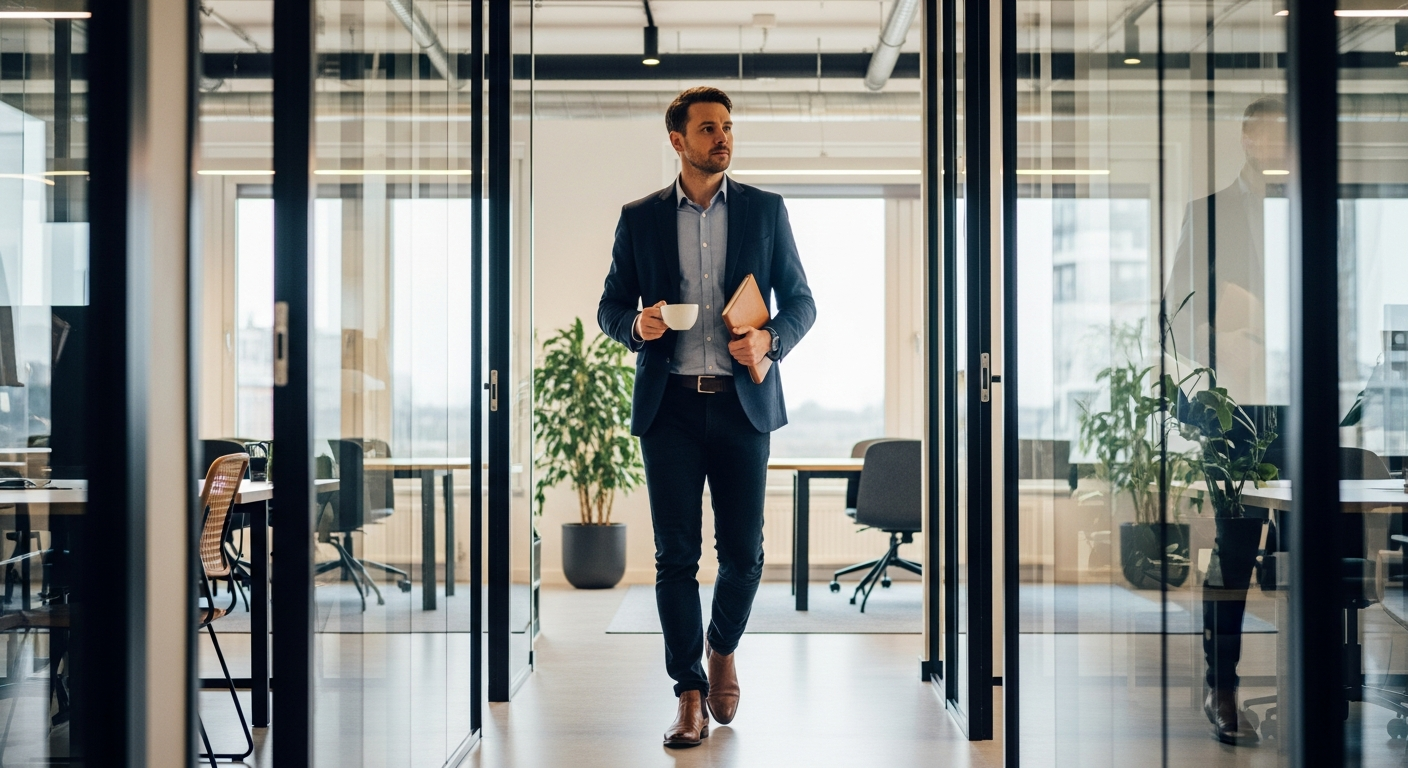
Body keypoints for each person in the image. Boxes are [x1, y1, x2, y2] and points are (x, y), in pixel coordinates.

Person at [597, 86, 816, 748]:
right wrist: (637, 323)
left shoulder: (765, 211)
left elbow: (802, 303)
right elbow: (610, 309)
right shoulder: (639, 219)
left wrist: (769, 340)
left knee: (744, 556)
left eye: (727, 127)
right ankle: (689, 693)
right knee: (674, 557)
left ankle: (722, 646)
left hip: (742, 407)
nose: (722, 137)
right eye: (708, 128)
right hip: (670, 408)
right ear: (677, 141)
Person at [1168, 95, 1286, 746]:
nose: (1281, 148)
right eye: (1271, 135)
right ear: (1247, 138)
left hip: (1307, 405)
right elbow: (1175, 313)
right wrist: (1219, 337)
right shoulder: (1207, 214)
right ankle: (1224, 687)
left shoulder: (1321, 211)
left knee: (1308, 552)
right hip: (1238, 410)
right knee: (1237, 553)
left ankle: (1311, 683)